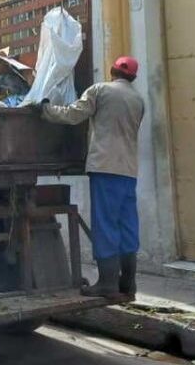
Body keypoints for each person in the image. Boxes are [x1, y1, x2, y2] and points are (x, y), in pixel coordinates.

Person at [37, 56, 145, 299]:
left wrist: (45, 109)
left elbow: (73, 115)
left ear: (112, 70)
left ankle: (107, 283)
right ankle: (128, 284)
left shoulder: (100, 90)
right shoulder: (138, 100)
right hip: (128, 169)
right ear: (133, 77)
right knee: (127, 225)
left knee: (105, 224)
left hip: (105, 167)